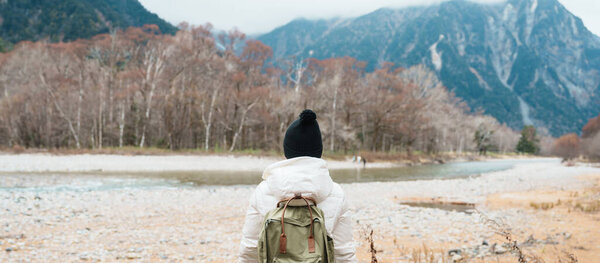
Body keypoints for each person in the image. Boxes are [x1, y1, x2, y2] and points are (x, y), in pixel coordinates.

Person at [238, 109, 358, 263]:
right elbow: (344, 253)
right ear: (318, 151)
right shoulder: (336, 193)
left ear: (287, 151)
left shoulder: (263, 190)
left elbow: (250, 249)